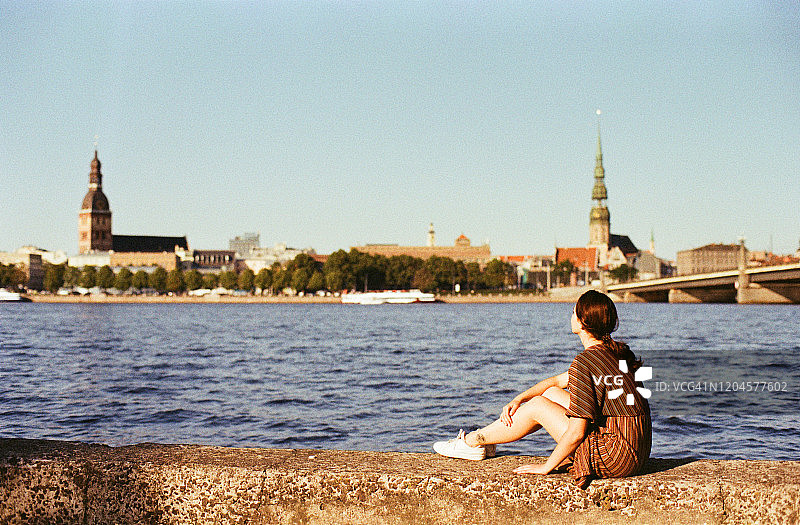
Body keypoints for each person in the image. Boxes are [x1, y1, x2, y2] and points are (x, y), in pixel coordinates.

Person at [433, 290, 651, 489]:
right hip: (636, 452)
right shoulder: (615, 353)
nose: (570, 315)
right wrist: (519, 398)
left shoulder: (587, 361)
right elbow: (556, 382)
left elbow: (577, 433)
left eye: (573, 311)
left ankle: (472, 441)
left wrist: (546, 466)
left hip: (616, 457)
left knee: (538, 406)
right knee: (548, 395)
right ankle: (488, 441)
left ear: (582, 322)